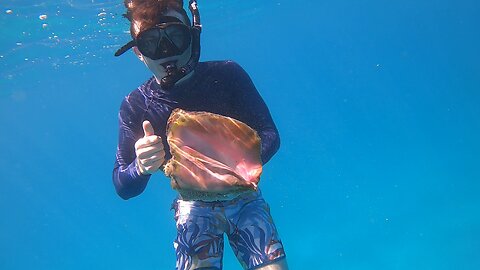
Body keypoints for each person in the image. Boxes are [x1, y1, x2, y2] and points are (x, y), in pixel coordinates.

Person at [112, 1, 288, 269]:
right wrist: (142, 166)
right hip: (193, 208)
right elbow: (124, 185)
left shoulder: (227, 75)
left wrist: (231, 168)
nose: (166, 52)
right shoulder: (136, 105)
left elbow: (270, 135)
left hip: (244, 198)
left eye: (176, 36)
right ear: (138, 51)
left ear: (193, 35)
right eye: (151, 42)